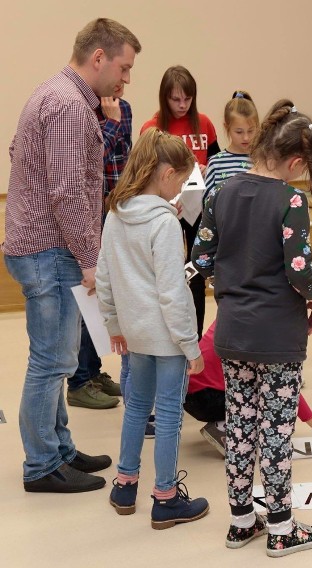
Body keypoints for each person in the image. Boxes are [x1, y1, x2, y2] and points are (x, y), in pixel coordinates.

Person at [3, 18, 140, 494]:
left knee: (56, 359)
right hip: (50, 251)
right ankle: (42, 465)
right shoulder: (67, 106)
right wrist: (89, 258)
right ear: (98, 58)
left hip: (42, 245)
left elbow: (18, 150)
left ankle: (60, 449)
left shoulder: (60, 96)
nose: (125, 80)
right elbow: (67, 193)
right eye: (122, 68)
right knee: (51, 362)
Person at [191, 101, 312, 557]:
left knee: (240, 428)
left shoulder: (220, 192)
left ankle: (239, 522)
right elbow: (299, 270)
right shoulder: (290, 201)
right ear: (294, 162)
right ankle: (282, 527)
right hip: (278, 336)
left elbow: (202, 259)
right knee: (275, 430)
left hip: (232, 332)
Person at [96, 128, 208, 528]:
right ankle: (165, 497)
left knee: (135, 409)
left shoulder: (115, 212)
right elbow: (173, 293)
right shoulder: (163, 224)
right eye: (181, 181)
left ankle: (124, 486)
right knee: (169, 418)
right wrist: (189, 345)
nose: (180, 191)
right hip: (167, 339)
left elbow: (105, 277)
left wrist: (113, 323)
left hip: (133, 334)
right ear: (166, 174)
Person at [67, 75, 136, 411]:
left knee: (105, 297)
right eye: (120, 72)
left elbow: (125, 158)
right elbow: (88, 163)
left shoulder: (123, 109)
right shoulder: (83, 111)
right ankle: (79, 380)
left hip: (113, 209)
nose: (123, 82)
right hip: (88, 214)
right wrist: (109, 124)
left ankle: (93, 372)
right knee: (87, 296)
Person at [141, 65, 219, 340]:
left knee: (195, 268)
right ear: (164, 98)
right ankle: (166, 333)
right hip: (166, 208)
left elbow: (216, 160)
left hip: (197, 207)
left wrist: (207, 169)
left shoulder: (204, 123)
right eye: (176, 99)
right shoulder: (152, 128)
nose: (182, 105)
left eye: (188, 98)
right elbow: (144, 172)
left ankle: (195, 335)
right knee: (167, 268)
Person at [186, 320, 312, 457]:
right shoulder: (262, 335)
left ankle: (229, 422)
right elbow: (285, 389)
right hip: (206, 400)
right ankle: (224, 428)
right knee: (271, 395)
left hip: (188, 394)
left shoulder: (233, 310)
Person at [203, 90, 258, 202]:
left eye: (251, 131)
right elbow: (207, 202)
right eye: (239, 132)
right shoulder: (216, 163)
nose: (246, 137)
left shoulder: (261, 160)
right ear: (227, 127)